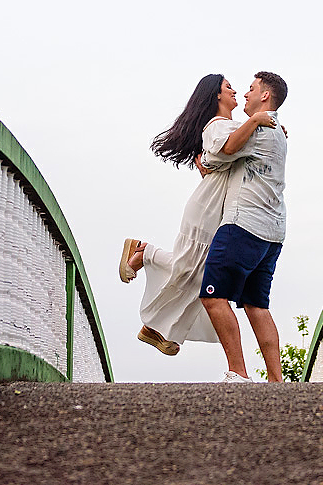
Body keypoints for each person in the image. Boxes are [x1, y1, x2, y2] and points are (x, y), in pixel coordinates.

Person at [118, 73, 277, 356]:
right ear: (216, 95)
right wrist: (256, 122)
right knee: (191, 269)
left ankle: (160, 329)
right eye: (229, 87)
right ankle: (146, 253)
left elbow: (242, 145)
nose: (235, 91)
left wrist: (272, 128)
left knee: (198, 272)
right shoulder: (216, 126)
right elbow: (224, 149)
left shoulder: (231, 125)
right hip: (207, 206)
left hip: (219, 207)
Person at [199, 71, 288, 383]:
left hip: (244, 224)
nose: (245, 94)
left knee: (212, 295)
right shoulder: (275, 131)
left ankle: (238, 372)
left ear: (265, 96)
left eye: (251, 89)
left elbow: (221, 150)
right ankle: (277, 382)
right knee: (256, 304)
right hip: (273, 231)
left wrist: (205, 163)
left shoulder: (258, 131)